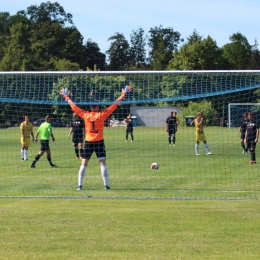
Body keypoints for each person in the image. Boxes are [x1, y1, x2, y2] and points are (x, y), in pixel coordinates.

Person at [60, 85, 132, 190]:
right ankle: (106, 185)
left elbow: (74, 107)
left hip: (88, 142)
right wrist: (123, 95)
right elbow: (114, 105)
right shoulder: (101, 114)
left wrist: (67, 98)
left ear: (90, 107)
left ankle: (79, 185)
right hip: (99, 142)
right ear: (98, 107)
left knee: (84, 163)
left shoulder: (85, 115)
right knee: (102, 163)